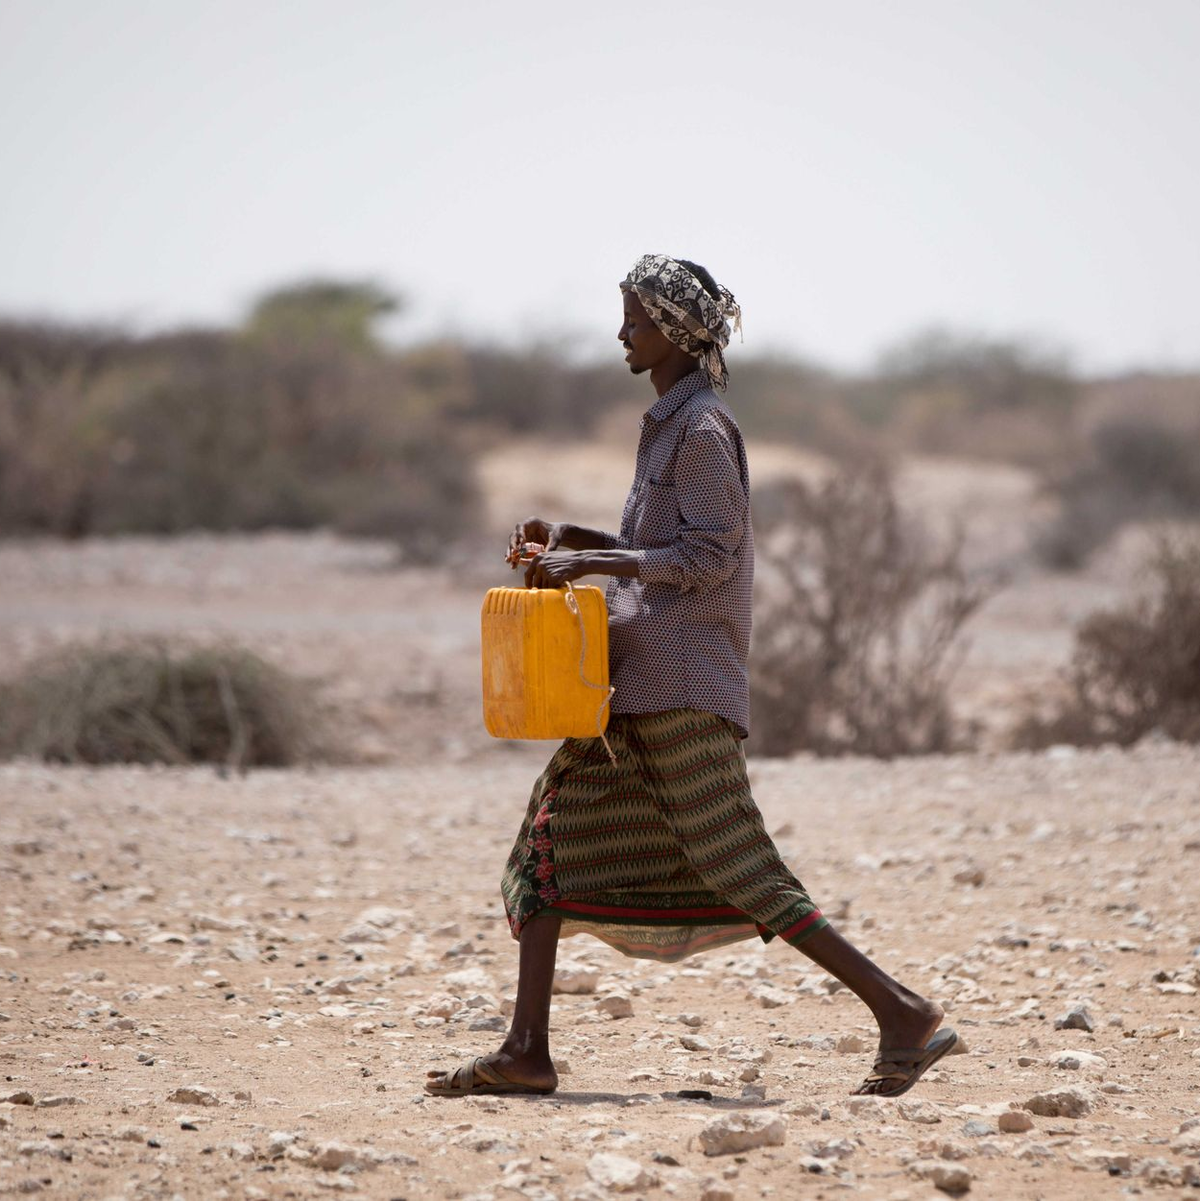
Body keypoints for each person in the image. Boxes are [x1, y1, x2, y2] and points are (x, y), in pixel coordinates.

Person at [426, 254, 956, 1098]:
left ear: (672, 330)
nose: (622, 331)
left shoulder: (703, 429)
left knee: (743, 867)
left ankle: (904, 1013)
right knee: (548, 852)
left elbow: (708, 557)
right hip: (640, 686)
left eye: (634, 317)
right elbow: (664, 543)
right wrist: (573, 538)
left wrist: (593, 563)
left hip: (681, 685)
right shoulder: (669, 423)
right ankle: (526, 1050)